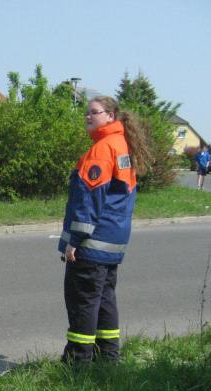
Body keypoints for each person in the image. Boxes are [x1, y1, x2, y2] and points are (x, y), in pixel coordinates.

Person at [58, 96, 151, 364]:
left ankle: (78, 364)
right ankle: (108, 358)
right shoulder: (122, 145)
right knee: (105, 299)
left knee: (83, 302)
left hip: (92, 243)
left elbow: (90, 199)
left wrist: (75, 240)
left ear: (111, 115)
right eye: (86, 112)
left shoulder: (102, 148)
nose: (88, 116)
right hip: (112, 241)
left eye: (94, 112)